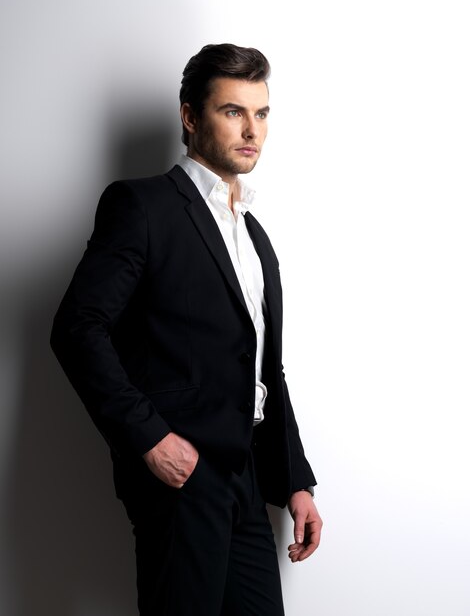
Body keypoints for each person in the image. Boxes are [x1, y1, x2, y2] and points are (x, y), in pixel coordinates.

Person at [51, 42, 323, 616]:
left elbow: (264, 369)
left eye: (262, 113)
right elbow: (78, 327)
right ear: (190, 116)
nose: (251, 130)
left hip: (247, 479)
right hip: (183, 480)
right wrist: (149, 438)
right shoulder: (143, 207)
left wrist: (296, 480)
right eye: (232, 111)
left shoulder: (257, 239)